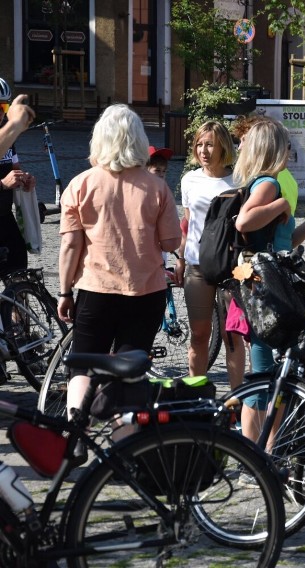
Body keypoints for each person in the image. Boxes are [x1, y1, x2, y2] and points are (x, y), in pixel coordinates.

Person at [57, 104, 182, 419]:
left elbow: (71, 244)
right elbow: (171, 242)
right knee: (130, 373)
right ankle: (123, 444)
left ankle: (76, 429)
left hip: (95, 289)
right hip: (146, 292)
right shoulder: (157, 188)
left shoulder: (81, 184)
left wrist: (64, 291)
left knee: (83, 363)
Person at [233, 118, 305, 443]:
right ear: (273, 148)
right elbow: (244, 222)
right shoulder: (269, 184)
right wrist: (282, 203)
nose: (289, 150)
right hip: (263, 287)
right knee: (265, 371)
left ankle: (264, 449)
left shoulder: (266, 183)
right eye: (285, 144)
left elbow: (281, 240)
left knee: (270, 370)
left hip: (266, 279)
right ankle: (259, 452)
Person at [175, 121, 245, 389]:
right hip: (197, 265)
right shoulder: (189, 179)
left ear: (222, 147)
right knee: (199, 334)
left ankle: (238, 397)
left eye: (210, 144)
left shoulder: (239, 179)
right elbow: (187, 222)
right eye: (199, 144)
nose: (203, 150)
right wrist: (180, 258)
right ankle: (197, 396)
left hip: (230, 268)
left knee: (231, 335)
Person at [0, 82, 37, 276]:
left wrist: (25, 181)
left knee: (19, 268)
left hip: (4, 215)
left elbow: (15, 168)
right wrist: (2, 184)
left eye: (4, 107)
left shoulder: (7, 137)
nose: (0, 113)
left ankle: (17, 305)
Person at [0, 78, 35, 156]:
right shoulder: (9, 131)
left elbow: (15, 166)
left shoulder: (5, 132)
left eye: (3, 107)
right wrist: (16, 123)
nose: (1, 113)